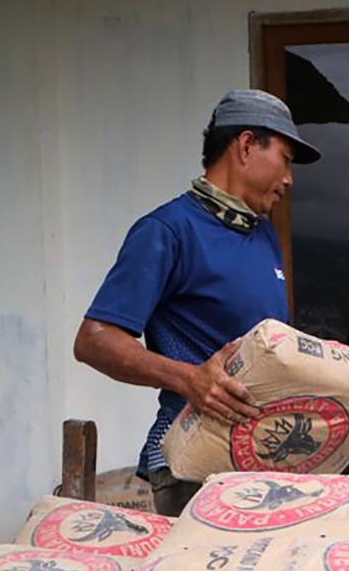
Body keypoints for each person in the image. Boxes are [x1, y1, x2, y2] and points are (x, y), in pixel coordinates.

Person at [73, 89, 321, 516]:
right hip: (194, 466)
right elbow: (94, 340)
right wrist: (189, 379)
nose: (289, 179)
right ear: (245, 146)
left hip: (263, 463)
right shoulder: (167, 231)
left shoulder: (262, 234)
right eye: (285, 159)